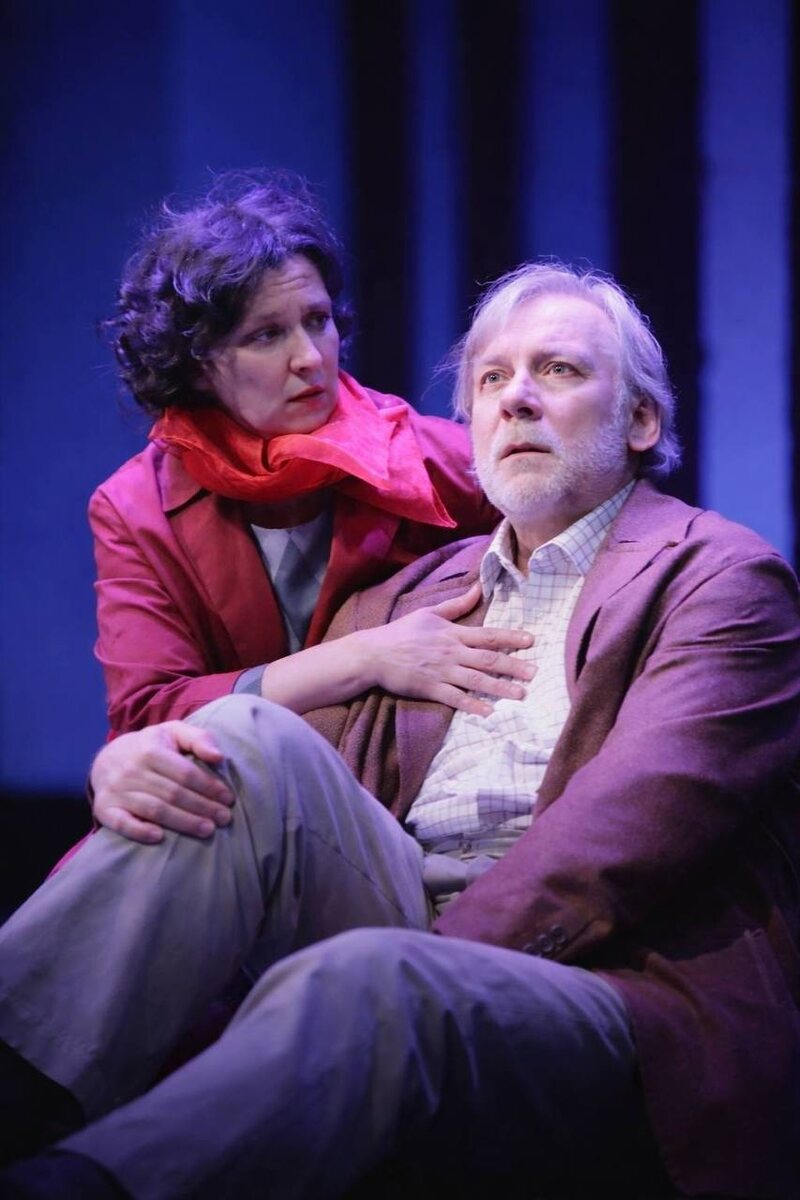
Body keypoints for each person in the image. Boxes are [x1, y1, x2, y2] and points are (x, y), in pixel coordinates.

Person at [2, 262, 800, 1200]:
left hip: (608, 977)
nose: (518, 399)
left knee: (368, 977)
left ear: (641, 422)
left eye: (559, 371)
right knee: (244, 743)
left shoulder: (718, 579)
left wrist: (430, 954)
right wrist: (135, 758)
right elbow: (274, 796)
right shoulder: (404, 600)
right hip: (399, 913)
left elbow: (632, 831)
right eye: (492, 379)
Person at [85, 169, 529, 843]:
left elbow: (590, 516)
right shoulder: (135, 507)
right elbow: (149, 715)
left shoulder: (429, 458)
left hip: (392, 809)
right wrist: (366, 655)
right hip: (226, 810)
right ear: (198, 362)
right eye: (266, 335)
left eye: (317, 322)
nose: (309, 358)